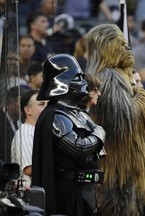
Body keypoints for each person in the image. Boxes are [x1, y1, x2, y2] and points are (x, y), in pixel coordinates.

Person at [86, 23, 145, 216]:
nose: (127, 48)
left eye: (126, 44)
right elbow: (125, 121)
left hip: (126, 169)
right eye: (120, 44)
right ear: (104, 46)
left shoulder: (115, 75)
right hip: (118, 170)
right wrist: (140, 92)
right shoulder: (109, 77)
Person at [31, 54, 106, 216]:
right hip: (67, 192)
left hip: (86, 188)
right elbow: (78, 148)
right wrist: (99, 134)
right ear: (63, 81)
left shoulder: (77, 113)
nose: (84, 82)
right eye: (78, 77)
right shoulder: (56, 115)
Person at [11, 90, 47, 186]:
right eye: (41, 104)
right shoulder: (26, 134)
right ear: (28, 110)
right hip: (31, 194)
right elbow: (29, 169)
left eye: (48, 104)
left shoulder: (38, 131)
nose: (47, 107)